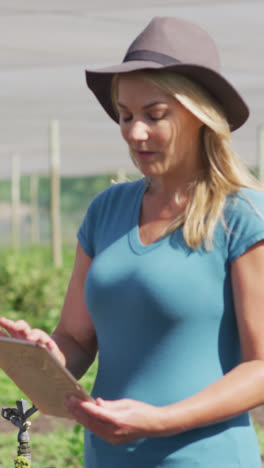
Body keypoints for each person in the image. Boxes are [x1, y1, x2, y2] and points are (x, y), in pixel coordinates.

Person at [1, 16, 264, 468]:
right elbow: (78, 339)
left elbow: (260, 368)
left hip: (204, 458)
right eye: (125, 115)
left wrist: (160, 421)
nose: (133, 132)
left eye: (154, 116)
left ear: (199, 114)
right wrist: (45, 357)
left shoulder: (241, 216)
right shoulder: (106, 211)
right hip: (107, 458)